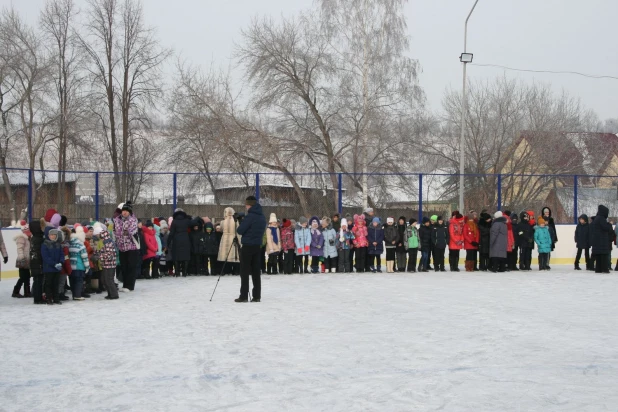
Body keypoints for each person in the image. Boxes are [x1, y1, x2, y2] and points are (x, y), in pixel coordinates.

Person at [236, 195, 266, 302]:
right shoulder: (262, 216)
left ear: (249, 205)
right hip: (257, 246)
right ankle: (257, 296)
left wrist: (241, 222)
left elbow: (240, 231)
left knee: (244, 271)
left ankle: (244, 295)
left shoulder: (250, 216)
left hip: (247, 246)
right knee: (256, 272)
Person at [113, 202, 139, 292]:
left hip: (131, 247)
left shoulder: (133, 220)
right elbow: (116, 231)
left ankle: (130, 285)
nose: (124, 212)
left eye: (126, 211)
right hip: (121, 247)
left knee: (131, 266)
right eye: (123, 210)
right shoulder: (117, 219)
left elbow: (131, 231)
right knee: (124, 266)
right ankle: (125, 285)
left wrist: (124, 228)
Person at [41, 227, 64, 305]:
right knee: (48, 284)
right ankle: (48, 298)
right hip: (48, 268)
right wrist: (54, 264)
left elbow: (62, 254)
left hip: (57, 268)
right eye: (51, 235)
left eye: (54, 235)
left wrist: (61, 262)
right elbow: (45, 257)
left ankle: (56, 298)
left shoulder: (58, 244)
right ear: (48, 235)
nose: (53, 236)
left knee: (56, 284)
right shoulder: (45, 244)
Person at [69, 225, 90, 301]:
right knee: (79, 281)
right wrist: (87, 267)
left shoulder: (70, 244)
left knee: (72, 281)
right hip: (79, 266)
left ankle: (74, 294)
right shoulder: (81, 245)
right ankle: (78, 295)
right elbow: (84, 257)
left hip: (71, 266)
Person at [169, 208, 192, 277]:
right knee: (185, 256)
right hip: (185, 239)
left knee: (176, 256)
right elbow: (193, 223)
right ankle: (184, 272)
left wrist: (168, 241)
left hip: (176, 240)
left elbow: (171, 233)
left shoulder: (174, 221)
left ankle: (177, 272)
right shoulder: (186, 220)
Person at [591, 205, 612, 274]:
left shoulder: (597, 218)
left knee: (599, 255)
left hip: (597, 240)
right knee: (604, 255)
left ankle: (598, 269)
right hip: (602, 240)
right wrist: (610, 224)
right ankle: (605, 268)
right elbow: (606, 228)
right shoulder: (602, 219)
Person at [12, 221, 31, 298]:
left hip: (27, 260)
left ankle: (27, 292)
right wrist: (22, 258)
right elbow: (20, 249)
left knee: (27, 276)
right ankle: (15, 291)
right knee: (23, 277)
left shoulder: (28, 238)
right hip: (22, 260)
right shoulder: (22, 238)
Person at [29, 220, 45, 304]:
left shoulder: (34, 237)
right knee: (38, 281)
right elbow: (39, 252)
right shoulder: (38, 239)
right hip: (38, 263)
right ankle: (37, 298)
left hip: (35, 263)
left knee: (37, 281)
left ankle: (38, 297)